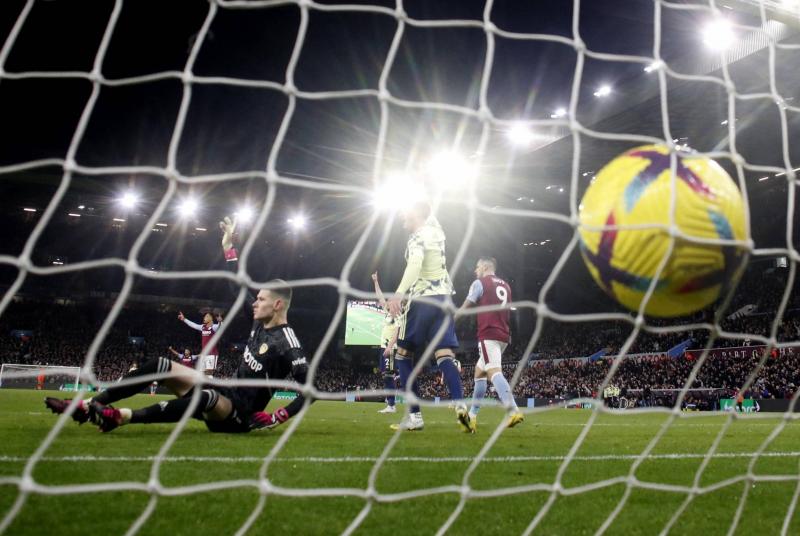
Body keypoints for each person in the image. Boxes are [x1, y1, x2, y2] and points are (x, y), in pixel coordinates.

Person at [44, 216, 311, 434]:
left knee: (205, 397)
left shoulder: (287, 343)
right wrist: (229, 247)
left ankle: (120, 417)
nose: (255, 302)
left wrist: (279, 415)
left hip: (240, 417)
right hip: (228, 393)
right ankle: (87, 406)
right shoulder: (258, 321)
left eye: (261, 299)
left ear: (277, 305)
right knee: (160, 365)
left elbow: (309, 389)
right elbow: (235, 287)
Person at [385, 201, 465, 431]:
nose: (402, 214)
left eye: (405, 211)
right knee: (444, 355)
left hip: (423, 300)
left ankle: (415, 417)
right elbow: (430, 208)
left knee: (402, 356)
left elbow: (415, 264)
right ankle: (460, 405)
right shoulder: (437, 231)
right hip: (445, 300)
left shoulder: (417, 237)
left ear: (417, 214)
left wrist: (398, 294)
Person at [459, 257, 523, 433]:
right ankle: (472, 416)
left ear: (486, 266)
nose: (475, 270)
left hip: (488, 334)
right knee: (479, 373)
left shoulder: (480, 283)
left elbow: (466, 307)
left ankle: (513, 410)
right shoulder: (506, 285)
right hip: (503, 335)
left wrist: (451, 320)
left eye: (477, 266)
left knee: (494, 372)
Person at [372, 271, 401, 414]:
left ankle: (391, 405)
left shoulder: (397, 315)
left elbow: (397, 332)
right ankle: (390, 403)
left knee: (388, 375)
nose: (387, 302)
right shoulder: (388, 311)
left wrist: (389, 347)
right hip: (384, 348)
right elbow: (380, 297)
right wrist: (376, 281)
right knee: (386, 375)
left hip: (390, 348)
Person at [178, 310, 223, 378]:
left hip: (212, 354)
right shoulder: (203, 327)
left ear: (211, 319)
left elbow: (221, 326)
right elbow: (193, 325)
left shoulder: (214, 327)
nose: (204, 317)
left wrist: (220, 321)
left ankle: (210, 387)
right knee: (202, 373)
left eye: (207, 316)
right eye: (204, 316)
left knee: (209, 374)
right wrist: (184, 319)